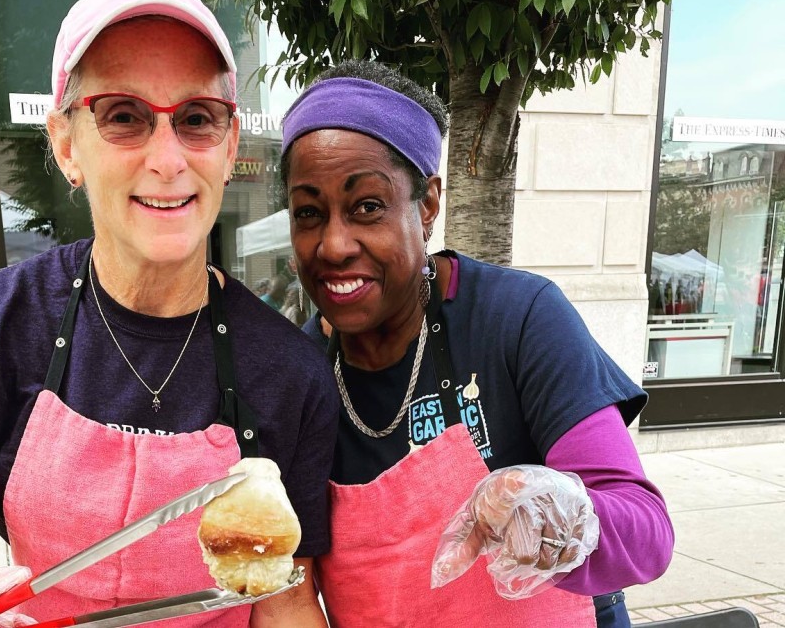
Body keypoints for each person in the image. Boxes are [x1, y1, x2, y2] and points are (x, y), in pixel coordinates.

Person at [0, 0, 337, 626]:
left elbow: (285, 599)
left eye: (196, 118)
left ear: (228, 147)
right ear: (65, 144)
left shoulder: (290, 371)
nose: (167, 159)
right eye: (123, 116)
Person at [281, 60, 674, 628]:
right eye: (308, 213)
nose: (334, 245)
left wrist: (559, 519)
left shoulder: (518, 319)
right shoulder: (294, 376)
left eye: (367, 206)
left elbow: (648, 534)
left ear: (427, 203)